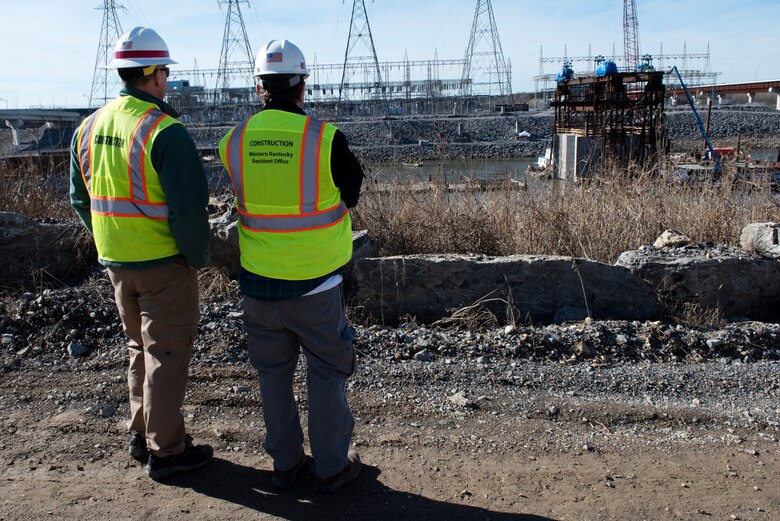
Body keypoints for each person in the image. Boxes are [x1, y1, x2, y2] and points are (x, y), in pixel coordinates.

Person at [218, 39, 364, 493]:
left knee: (273, 376)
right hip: (317, 286)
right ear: (302, 87)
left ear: (258, 88)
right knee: (325, 373)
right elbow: (351, 195)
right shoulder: (326, 139)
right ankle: (331, 468)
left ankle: (284, 465)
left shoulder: (234, 141)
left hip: (258, 287)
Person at [69, 26, 213, 480]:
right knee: (167, 356)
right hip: (162, 265)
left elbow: (81, 198)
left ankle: (142, 433)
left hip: (117, 263)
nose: (167, 80)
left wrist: (109, 240)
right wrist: (197, 257)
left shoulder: (89, 127)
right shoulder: (164, 132)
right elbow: (189, 212)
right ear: (151, 74)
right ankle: (167, 452)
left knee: (139, 349)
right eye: (165, 72)